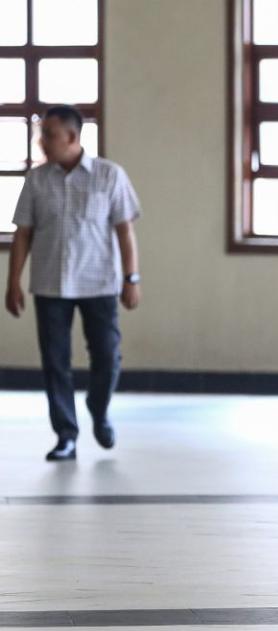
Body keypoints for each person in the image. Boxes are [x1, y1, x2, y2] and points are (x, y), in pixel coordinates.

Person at [4, 105, 142, 462]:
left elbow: (125, 231)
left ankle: (98, 407)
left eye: (48, 134)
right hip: (50, 285)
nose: (42, 142)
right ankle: (66, 434)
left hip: (100, 283)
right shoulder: (36, 181)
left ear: (72, 136)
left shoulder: (109, 176)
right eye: (40, 134)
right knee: (55, 362)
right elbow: (23, 235)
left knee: (108, 357)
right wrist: (13, 282)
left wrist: (132, 278)